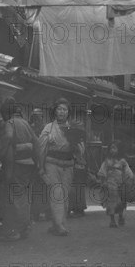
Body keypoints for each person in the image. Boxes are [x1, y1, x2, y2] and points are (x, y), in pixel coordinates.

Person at [0, 97, 40, 242]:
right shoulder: (25, 123)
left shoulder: (10, 123)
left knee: (14, 198)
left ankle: (15, 231)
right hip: (28, 165)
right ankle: (24, 228)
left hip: (15, 165)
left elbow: (8, 136)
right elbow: (36, 142)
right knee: (24, 197)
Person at [38, 98, 81, 236]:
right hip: (52, 164)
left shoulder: (73, 128)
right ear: (55, 111)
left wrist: (75, 142)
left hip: (67, 165)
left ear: (68, 112)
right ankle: (60, 225)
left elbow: (80, 148)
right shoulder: (49, 127)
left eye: (65, 109)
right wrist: (41, 166)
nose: (62, 112)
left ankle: (57, 224)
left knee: (65, 195)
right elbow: (41, 148)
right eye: (59, 109)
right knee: (56, 193)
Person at [97, 140, 134, 228]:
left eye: (114, 148)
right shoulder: (106, 162)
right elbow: (102, 172)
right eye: (111, 148)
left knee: (121, 203)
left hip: (121, 185)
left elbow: (129, 173)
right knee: (111, 203)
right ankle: (112, 220)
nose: (112, 150)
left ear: (119, 149)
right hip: (110, 185)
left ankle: (121, 216)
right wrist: (103, 182)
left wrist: (128, 182)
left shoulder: (123, 162)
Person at [68, 127, 88, 218]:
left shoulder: (74, 145)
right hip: (81, 168)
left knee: (73, 189)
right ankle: (79, 209)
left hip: (75, 168)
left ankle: (74, 208)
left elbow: (75, 157)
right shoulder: (82, 144)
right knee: (80, 189)